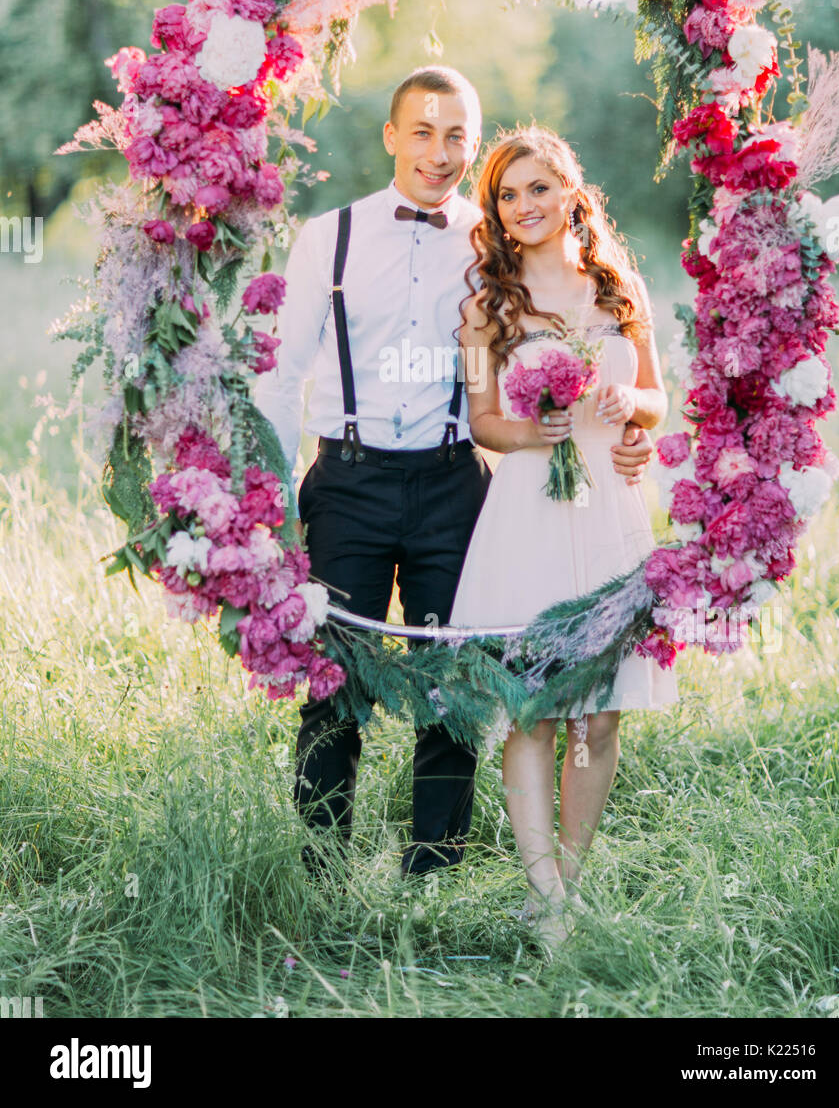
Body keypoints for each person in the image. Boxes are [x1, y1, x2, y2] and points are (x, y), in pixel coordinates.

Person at [254, 69, 655, 878]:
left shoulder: (496, 246)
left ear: (473, 147)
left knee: (455, 684)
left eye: (457, 136)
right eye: (424, 132)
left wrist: (627, 428)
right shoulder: (326, 238)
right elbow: (279, 369)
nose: (439, 153)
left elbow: (570, 362)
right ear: (392, 137)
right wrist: (264, 496)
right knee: (334, 684)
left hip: (453, 484)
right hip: (347, 481)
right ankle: (320, 873)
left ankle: (433, 868)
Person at [449, 124, 678, 946]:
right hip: (527, 513)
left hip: (611, 510)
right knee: (532, 711)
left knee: (602, 715)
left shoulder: (620, 290)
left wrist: (631, 416)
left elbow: (656, 397)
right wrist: (533, 431)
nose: (523, 207)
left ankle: (568, 888)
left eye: (538, 188)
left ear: (572, 193)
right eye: (507, 196)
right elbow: (481, 422)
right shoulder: (485, 307)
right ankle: (539, 888)